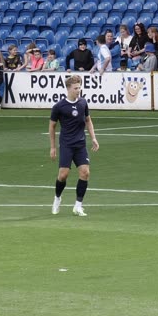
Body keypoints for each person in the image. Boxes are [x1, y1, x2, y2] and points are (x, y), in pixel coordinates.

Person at [48, 75, 100, 217]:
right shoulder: (59, 107)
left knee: (85, 173)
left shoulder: (83, 103)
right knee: (63, 175)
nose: (79, 90)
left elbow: (88, 121)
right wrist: (53, 147)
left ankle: (78, 206)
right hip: (66, 145)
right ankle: (57, 198)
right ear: (69, 88)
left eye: (79, 87)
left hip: (80, 144)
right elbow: (52, 127)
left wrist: (93, 138)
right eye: (76, 88)